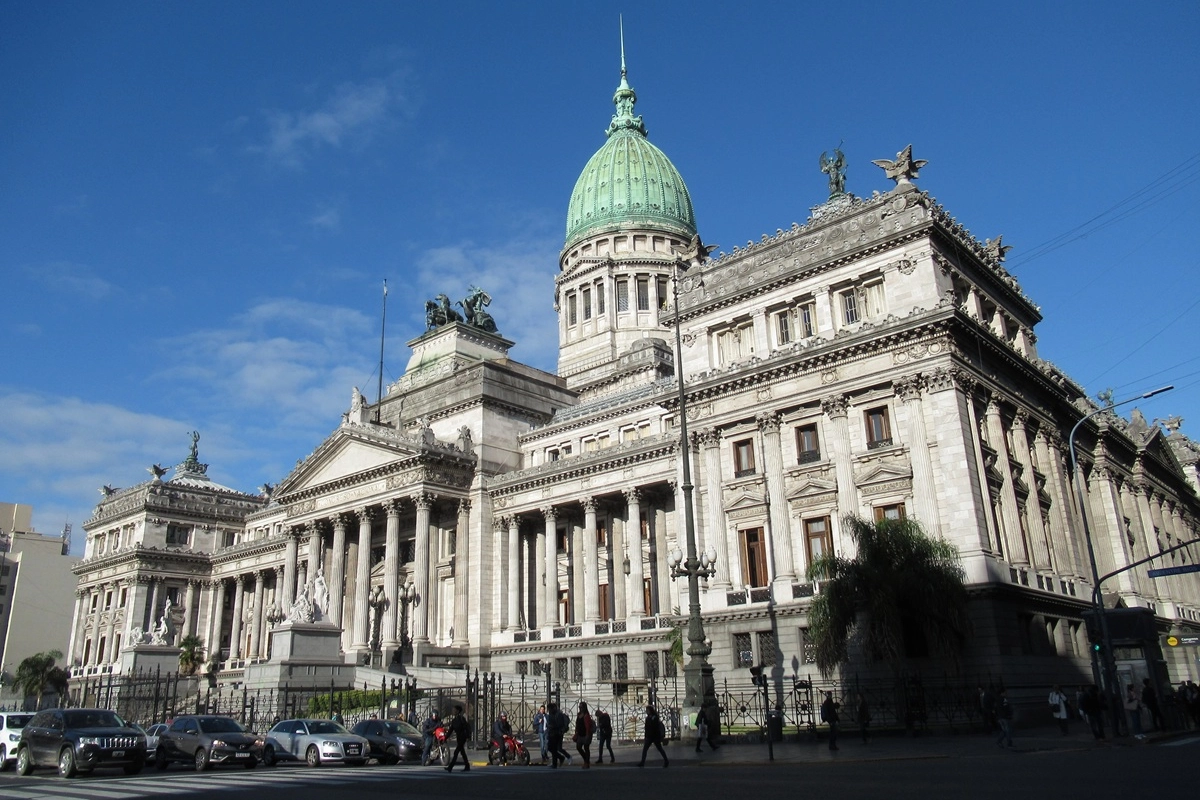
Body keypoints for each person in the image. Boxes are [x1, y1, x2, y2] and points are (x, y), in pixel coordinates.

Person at [445, 705, 471, 772]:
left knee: (456, 752)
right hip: (458, 738)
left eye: (454, 710)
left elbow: (466, 728)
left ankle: (450, 767)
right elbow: (450, 730)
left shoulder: (462, 719)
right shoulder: (454, 720)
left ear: (458, 711)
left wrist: (468, 737)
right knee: (462, 752)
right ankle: (467, 766)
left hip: (463, 737)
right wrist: (445, 738)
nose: (453, 711)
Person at [546, 702, 571, 768]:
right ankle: (560, 758)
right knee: (551, 748)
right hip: (552, 733)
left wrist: (553, 726)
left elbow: (559, 724)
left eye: (550, 709)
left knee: (554, 748)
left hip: (557, 733)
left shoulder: (558, 714)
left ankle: (556, 763)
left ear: (554, 708)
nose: (549, 711)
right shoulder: (551, 714)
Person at [574, 701, 594, 768]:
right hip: (580, 734)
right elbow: (577, 724)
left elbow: (588, 726)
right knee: (578, 747)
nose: (580, 708)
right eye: (579, 707)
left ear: (584, 707)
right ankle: (586, 760)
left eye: (581, 707)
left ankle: (586, 762)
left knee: (586, 748)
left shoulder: (586, 716)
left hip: (586, 734)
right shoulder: (579, 715)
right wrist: (576, 732)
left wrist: (587, 734)